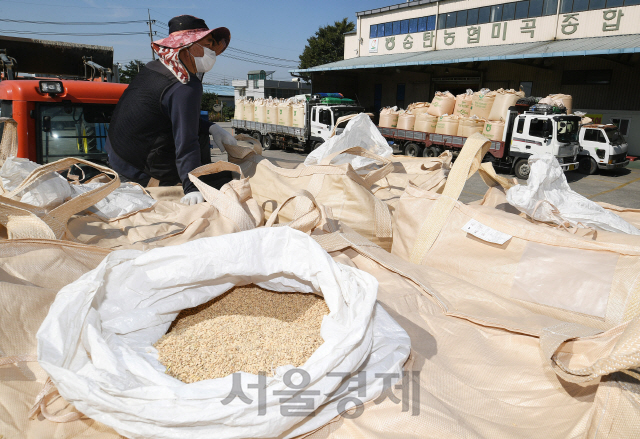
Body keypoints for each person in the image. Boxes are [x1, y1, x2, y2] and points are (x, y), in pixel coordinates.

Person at [105, 15, 237, 205]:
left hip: (117, 157)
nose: (212, 52)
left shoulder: (155, 68)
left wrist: (210, 127)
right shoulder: (184, 85)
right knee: (223, 182)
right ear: (187, 46)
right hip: (138, 172)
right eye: (207, 45)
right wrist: (192, 188)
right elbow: (186, 141)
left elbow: (168, 115)